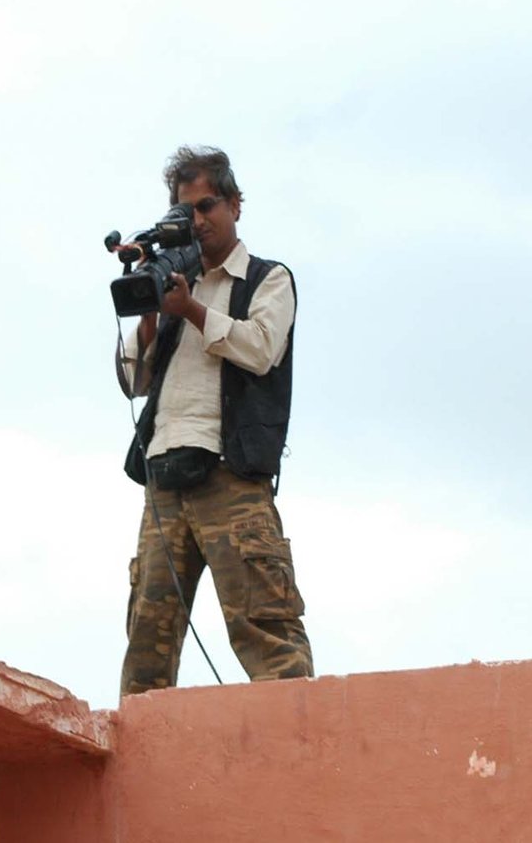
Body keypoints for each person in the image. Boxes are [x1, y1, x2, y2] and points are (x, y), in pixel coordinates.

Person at [116, 146, 313, 696]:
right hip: (163, 476)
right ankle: (144, 740)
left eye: (208, 207)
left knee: (265, 627)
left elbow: (261, 349)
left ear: (235, 205)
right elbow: (133, 380)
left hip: (232, 476)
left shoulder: (267, 279)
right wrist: (152, 312)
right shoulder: (172, 282)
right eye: (187, 211)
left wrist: (193, 311)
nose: (199, 221)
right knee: (148, 638)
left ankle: (296, 738)